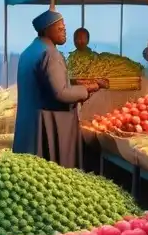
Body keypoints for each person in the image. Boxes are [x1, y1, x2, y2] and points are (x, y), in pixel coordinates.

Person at [13, 11, 100, 167]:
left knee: (30, 175)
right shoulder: (50, 53)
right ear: (46, 30)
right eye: (60, 29)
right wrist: (87, 89)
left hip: (29, 125)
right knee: (49, 177)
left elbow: (44, 85)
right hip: (47, 124)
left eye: (64, 28)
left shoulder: (28, 51)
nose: (64, 32)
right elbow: (61, 93)